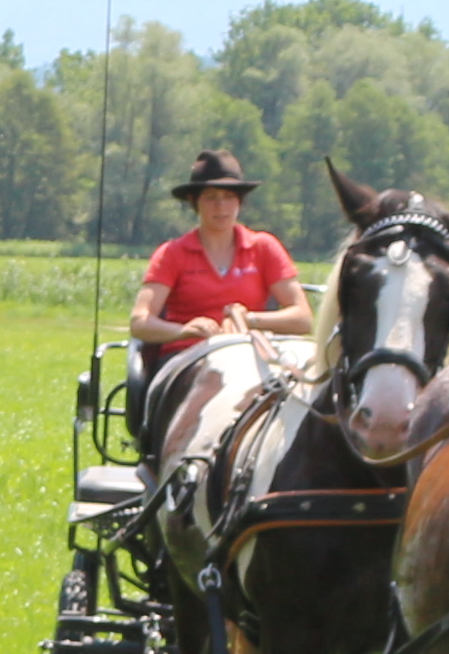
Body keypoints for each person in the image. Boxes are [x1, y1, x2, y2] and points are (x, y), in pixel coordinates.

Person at [123, 148, 311, 444]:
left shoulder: (264, 248)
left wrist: (249, 319)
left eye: (229, 197)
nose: (221, 207)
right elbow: (140, 321)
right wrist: (183, 330)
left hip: (251, 354)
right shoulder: (172, 254)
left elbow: (302, 318)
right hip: (187, 358)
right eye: (211, 197)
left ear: (240, 202)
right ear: (194, 202)